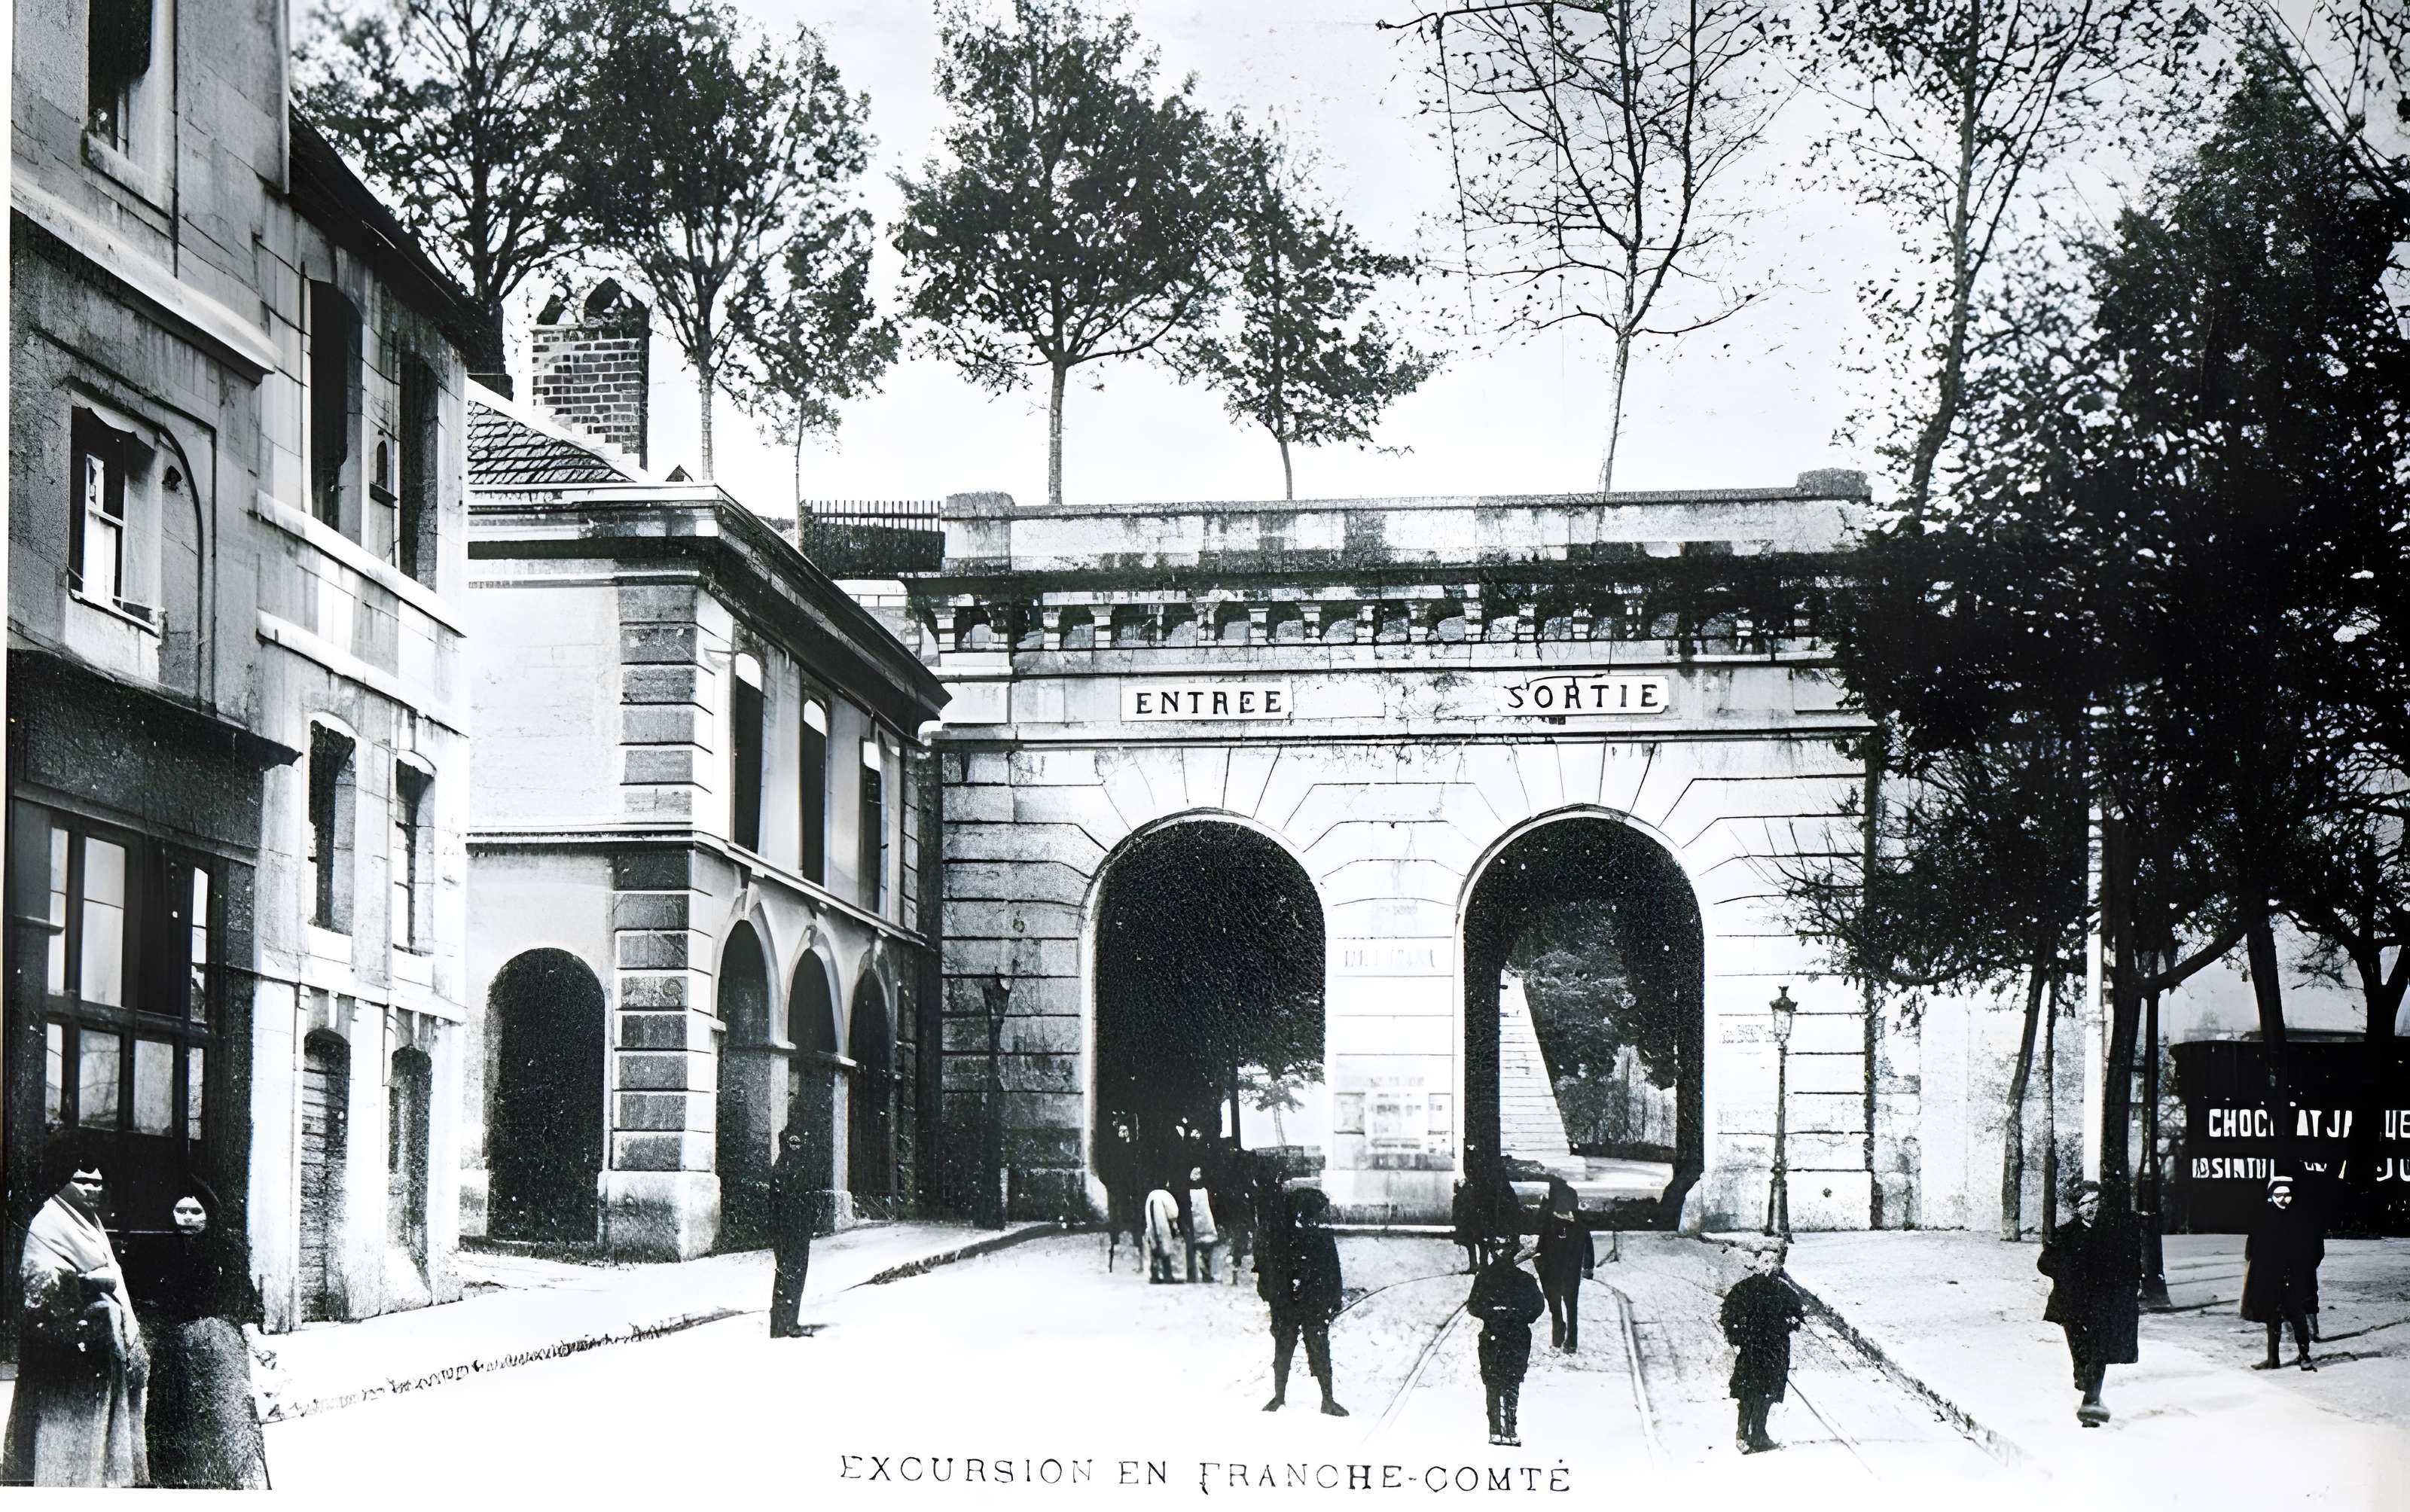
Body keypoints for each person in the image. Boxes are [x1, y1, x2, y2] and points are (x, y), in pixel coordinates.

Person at [2, 1148, 148, 1487]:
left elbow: (112, 1271)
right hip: (64, 1342)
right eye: (82, 1181)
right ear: (64, 1182)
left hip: (99, 1340)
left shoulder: (90, 1222)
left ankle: (99, 1477)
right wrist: (88, 1282)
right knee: (63, 1420)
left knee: (96, 1419)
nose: (91, 1189)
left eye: (97, 1183)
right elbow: (37, 1282)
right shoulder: (48, 1222)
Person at [142, 1181, 267, 1488]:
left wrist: (253, 1340)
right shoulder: (157, 1250)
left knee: (220, 1419)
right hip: (173, 1350)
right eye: (180, 1210)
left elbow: (243, 1298)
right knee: (175, 1418)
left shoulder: (228, 1250)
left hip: (217, 1350)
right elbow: (147, 1299)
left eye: (195, 1211)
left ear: (209, 1214)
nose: (187, 1217)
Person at [2037, 1179, 2140, 1426]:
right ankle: (2086, 1384)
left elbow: (2131, 1264)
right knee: (2081, 1353)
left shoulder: (2115, 1233)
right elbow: (2044, 1264)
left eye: (2095, 1201)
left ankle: (2091, 1402)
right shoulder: (2066, 1234)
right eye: (2084, 1204)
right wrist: (2067, 1270)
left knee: (2098, 1352)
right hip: (2072, 1305)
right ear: (2076, 1208)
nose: (2091, 1207)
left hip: (2103, 1304)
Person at [1262, 1187, 1347, 1416]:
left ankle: (1318, 1399)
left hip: (1307, 1305)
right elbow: (1272, 1275)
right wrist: (1275, 1302)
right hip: (1300, 1306)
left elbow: (1332, 1272)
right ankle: (1315, 1399)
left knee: (1301, 1350)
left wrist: (1333, 1299)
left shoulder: (1309, 1237)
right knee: (1296, 1351)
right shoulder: (1288, 1237)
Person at [1718, 1239, 1803, 1454]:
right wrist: (1736, 1337)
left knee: (1768, 1393)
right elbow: (1729, 1316)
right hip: (1753, 1348)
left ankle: (1759, 1433)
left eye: (1773, 1262)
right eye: (1765, 1261)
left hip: (1775, 1350)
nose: (1769, 1266)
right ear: (1756, 1264)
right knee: (1748, 1393)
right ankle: (1742, 1434)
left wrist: (1793, 1320)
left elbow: (1797, 1313)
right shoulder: (1744, 1289)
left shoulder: (1783, 1290)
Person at [2241, 1175, 2322, 1373]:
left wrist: (2305, 1269)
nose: (2283, 1198)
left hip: (2296, 1279)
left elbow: (2316, 1249)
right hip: (2272, 1279)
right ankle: (2273, 1359)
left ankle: (2305, 1357)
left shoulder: (2301, 1219)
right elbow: (2252, 1250)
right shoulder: (2263, 1219)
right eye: (2279, 1194)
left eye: (2287, 1194)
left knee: (2298, 1317)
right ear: (2271, 1195)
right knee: (2273, 1318)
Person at [1468, 1247, 1546, 1446]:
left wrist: (1493, 1312)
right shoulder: (1525, 1279)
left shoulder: (1484, 1278)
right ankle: (1509, 1430)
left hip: (1493, 1335)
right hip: (1517, 1337)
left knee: (1493, 1382)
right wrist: (1517, 1314)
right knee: (1511, 1382)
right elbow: (1537, 1308)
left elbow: (1474, 1307)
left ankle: (1495, 1430)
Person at [767, 1127, 819, 1337]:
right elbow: (781, 1205)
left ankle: (786, 1322)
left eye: (799, 1143)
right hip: (790, 1231)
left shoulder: (793, 1167)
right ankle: (783, 1324)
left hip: (797, 1230)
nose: (796, 1147)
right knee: (789, 1274)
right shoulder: (784, 1169)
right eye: (793, 1143)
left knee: (793, 1274)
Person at [1535, 1176, 1594, 1354]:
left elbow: (1540, 1249)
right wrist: (1588, 1268)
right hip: (1571, 1273)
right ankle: (1571, 1342)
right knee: (1571, 1306)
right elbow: (1589, 1248)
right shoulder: (1580, 1227)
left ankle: (1558, 1338)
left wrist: (1540, 1265)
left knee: (1556, 1309)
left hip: (1552, 1273)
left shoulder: (1550, 1226)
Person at [1184, 1166, 1223, 1283]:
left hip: (1201, 1225)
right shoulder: (1204, 1192)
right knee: (1205, 1252)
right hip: (1202, 1225)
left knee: (1203, 1252)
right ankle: (1206, 1274)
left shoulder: (1198, 1192)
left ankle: (1205, 1274)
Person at [1144, 1183, 1183, 1284]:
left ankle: (1155, 1275)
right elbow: (1173, 1213)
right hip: (1162, 1219)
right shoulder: (1166, 1196)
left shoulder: (1152, 1195)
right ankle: (1168, 1276)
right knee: (1165, 1245)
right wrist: (1174, 1223)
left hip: (1152, 1219)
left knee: (1154, 1245)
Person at [1450, 1181, 1481, 1274]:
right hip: (1468, 1224)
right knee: (1471, 1245)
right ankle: (1475, 1265)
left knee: (1470, 1245)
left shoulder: (1461, 1197)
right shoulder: (1463, 1195)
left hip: (1467, 1225)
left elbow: (1459, 1213)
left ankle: (1474, 1265)